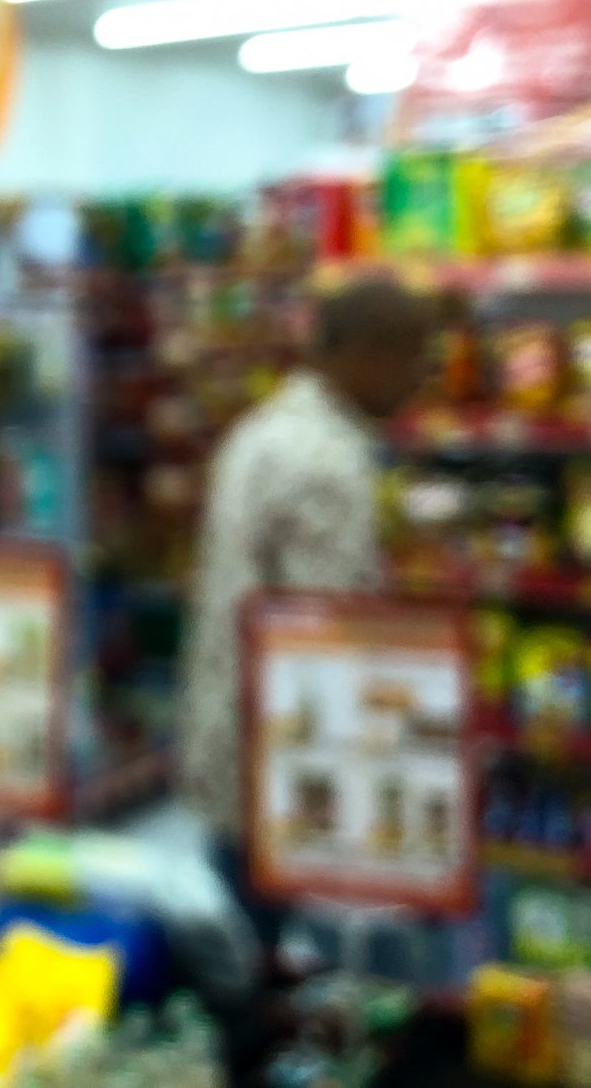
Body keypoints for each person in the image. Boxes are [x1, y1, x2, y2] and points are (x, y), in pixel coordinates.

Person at [178, 276, 435, 927]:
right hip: (285, 764)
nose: (419, 381)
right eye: (413, 360)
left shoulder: (263, 429)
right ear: (367, 353)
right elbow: (332, 638)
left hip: (229, 736)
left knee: (245, 920)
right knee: (278, 952)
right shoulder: (328, 461)